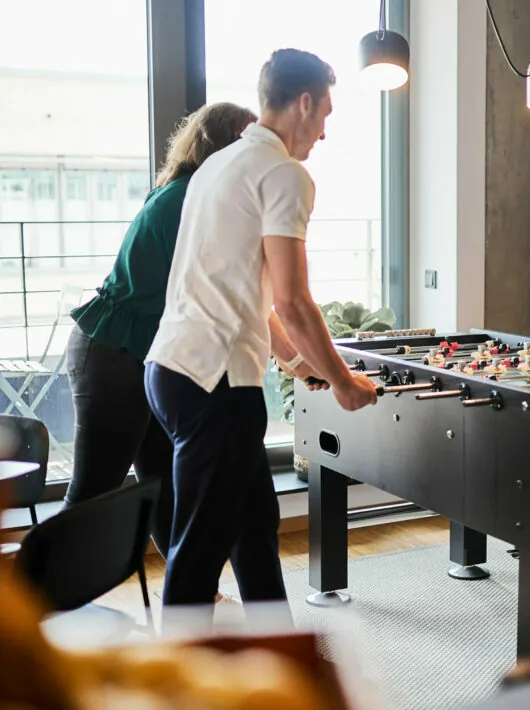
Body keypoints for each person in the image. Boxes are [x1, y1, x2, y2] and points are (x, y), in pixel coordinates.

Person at [144, 48, 379, 613]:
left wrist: (297, 363)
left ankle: (279, 656)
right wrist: (343, 382)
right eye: (324, 114)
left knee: (254, 529)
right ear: (304, 103)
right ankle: (179, 690)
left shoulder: (216, 165)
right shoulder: (284, 174)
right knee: (200, 549)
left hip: (174, 370)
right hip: (214, 385)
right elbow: (293, 299)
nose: (323, 132)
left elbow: (240, 290)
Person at [64, 102, 258, 559]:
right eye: (247, 144)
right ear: (225, 147)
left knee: (165, 487)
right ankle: (37, 608)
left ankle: (190, 596)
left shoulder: (188, 192)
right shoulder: (192, 199)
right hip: (114, 355)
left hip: (143, 355)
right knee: (94, 494)